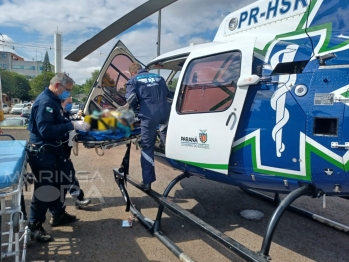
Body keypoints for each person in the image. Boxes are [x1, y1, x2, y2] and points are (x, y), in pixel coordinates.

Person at [27, 72, 90, 242]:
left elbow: (57, 122)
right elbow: (45, 130)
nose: (68, 94)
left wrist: (73, 123)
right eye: (67, 90)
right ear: (57, 86)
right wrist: (71, 124)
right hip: (43, 153)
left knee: (60, 183)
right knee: (45, 190)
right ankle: (34, 227)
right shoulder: (45, 102)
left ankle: (58, 214)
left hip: (53, 151)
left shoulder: (53, 100)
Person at [125, 63, 172, 191]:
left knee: (147, 147)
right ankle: (174, 158)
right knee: (167, 137)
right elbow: (168, 95)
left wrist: (134, 109)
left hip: (149, 116)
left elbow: (131, 98)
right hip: (165, 113)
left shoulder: (133, 80)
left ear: (132, 73)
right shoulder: (159, 78)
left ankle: (147, 182)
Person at [61, 96, 91, 208]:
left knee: (65, 176)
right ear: (62, 102)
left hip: (64, 149)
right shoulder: (58, 115)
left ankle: (59, 210)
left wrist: (79, 119)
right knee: (68, 175)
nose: (70, 105)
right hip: (59, 150)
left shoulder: (65, 114)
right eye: (69, 102)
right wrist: (73, 124)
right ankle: (78, 199)